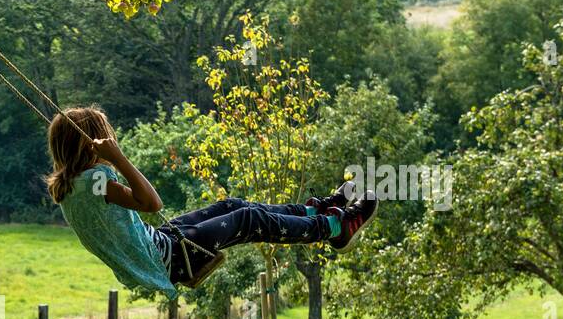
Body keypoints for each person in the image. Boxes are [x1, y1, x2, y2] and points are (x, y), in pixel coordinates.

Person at [46, 106, 377, 295]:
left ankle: (312, 211)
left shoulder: (67, 187)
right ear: (90, 145)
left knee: (232, 206)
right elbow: (152, 204)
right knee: (247, 220)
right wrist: (117, 158)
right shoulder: (96, 180)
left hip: (161, 244)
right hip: (169, 256)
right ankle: (335, 227)